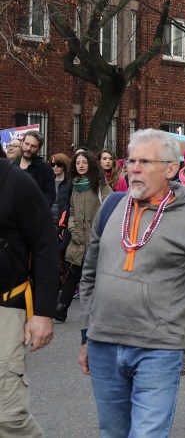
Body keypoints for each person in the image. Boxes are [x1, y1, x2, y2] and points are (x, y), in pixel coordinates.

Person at [79, 129, 185, 438]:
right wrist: (86, 334)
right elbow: (89, 275)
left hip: (158, 348)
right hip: (104, 343)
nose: (135, 168)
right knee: (112, 433)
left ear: (170, 168)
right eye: (132, 161)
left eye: (145, 162)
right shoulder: (111, 206)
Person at [0, 146, 59, 436]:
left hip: (6, 305)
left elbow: (45, 245)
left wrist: (44, 313)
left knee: (7, 416)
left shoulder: (16, 182)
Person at [55, 151, 112, 323]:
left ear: (91, 164)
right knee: (73, 273)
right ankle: (61, 308)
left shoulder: (100, 184)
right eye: (78, 162)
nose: (81, 165)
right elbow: (72, 210)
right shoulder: (75, 185)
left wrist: (100, 229)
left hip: (96, 237)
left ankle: (102, 312)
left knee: (98, 276)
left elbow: (110, 206)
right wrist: (72, 227)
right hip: (78, 237)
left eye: (84, 162)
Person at [17, 131, 55, 208]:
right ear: (21, 143)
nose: (28, 148)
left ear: (39, 149)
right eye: (26, 144)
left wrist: (39, 210)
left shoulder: (44, 168)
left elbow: (50, 194)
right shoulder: (12, 164)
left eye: (33, 146)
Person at [50, 153, 72, 225]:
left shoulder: (69, 184)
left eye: (59, 165)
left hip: (64, 222)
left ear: (64, 166)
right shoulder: (48, 182)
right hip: (48, 221)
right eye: (53, 165)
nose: (55, 167)